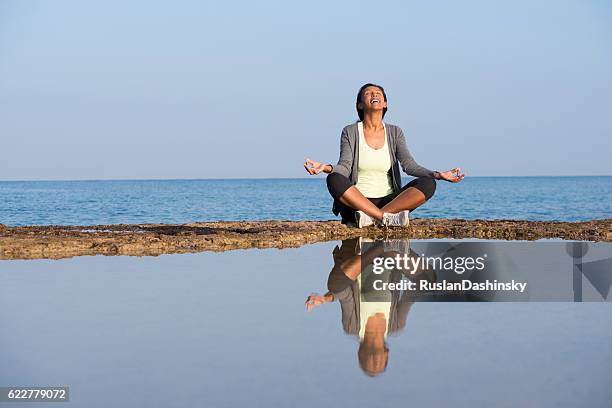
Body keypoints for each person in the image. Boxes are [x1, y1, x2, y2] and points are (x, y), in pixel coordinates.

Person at [304, 83, 465, 227]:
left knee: (428, 183)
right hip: (357, 204)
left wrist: (437, 174)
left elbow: (409, 166)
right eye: (368, 93)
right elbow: (345, 168)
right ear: (360, 104)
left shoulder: (395, 132)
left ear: (385, 103)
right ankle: (382, 217)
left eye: (378, 93)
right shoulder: (350, 131)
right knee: (334, 178)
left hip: (390, 201)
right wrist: (325, 167)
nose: (374, 94)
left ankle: (372, 218)